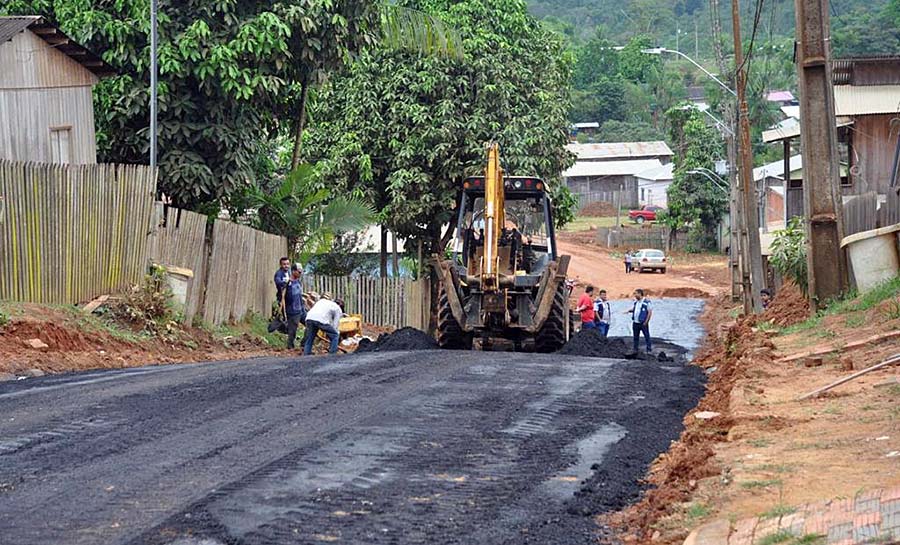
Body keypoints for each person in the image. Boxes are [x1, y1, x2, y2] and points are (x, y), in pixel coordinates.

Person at [283, 265, 307, 349]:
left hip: (301, 309)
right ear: (293, 271)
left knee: (310, 325)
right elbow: (283, 297)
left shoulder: (298, 282)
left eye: (301, 272)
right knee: (292, 331)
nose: (300, 274)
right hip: (292, 310)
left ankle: (304, 343)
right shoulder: (287, 283)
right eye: (299, 272)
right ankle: (290, 347)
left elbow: (299, 295)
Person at [626, 289, 652, 353]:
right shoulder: (636, 302)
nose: (634, 295)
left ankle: (649, 349)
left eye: (635, 294)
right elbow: (635, 310)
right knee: (635, 337)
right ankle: (635, 349)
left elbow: (649, 312)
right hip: (635, 322)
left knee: (646, 336)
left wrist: (646, 321)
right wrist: (629, 311)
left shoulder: (646, 302)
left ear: (640, 294)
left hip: (643, 322)